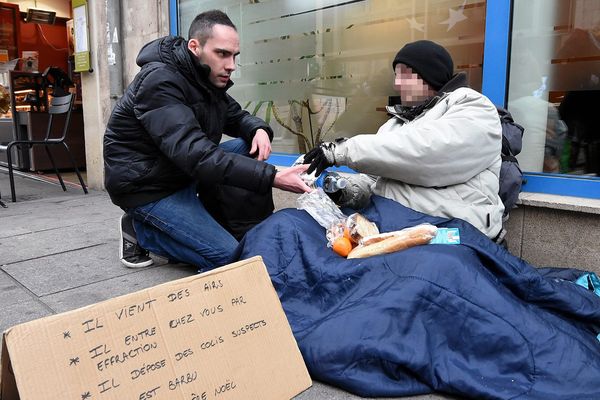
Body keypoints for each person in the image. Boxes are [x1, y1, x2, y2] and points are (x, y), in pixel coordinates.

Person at [104, 10, 311, 270]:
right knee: (232, 259)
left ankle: (235, 228)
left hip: (179, 172)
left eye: (235, 55)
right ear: (195, 47)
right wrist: (274, 177)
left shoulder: (205, 77)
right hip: (147, 187)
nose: (231, 65)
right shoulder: (159, 82)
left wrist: (258, 129)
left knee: (248, 145)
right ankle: (142, 230)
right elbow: (197, 154)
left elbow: (237, 117)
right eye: (222, 53)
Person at [304, 40, 504, 240]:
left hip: (450, 231)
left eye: (405, 75)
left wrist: (342, 150)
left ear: (430, 76)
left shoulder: (473, 106)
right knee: (299, 227)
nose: (396, 84)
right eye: (397, 75)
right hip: (396, 224)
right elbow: (375, 181)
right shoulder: (395, 124)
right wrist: (342, 189)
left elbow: (428, 153)